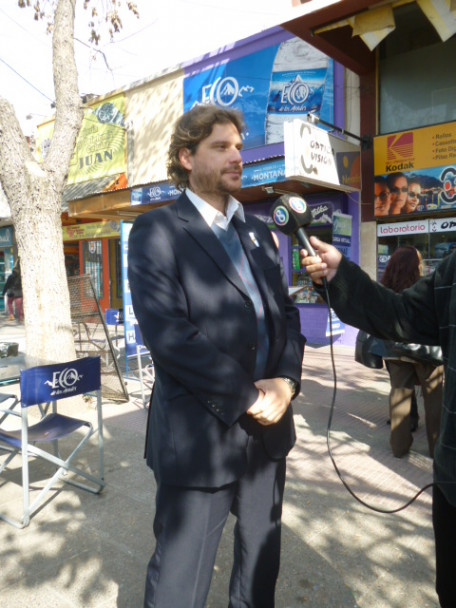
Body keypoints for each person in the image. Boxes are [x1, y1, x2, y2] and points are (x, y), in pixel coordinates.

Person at [128, 104, 305, 608]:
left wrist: (286, 382)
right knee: (180, 584)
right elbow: (170, 337)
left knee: (259, 572)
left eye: (239, 148)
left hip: (268, 435)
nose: (237, 157)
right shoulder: (156, 232)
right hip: (199, 438)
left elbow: (286, 315)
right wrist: (249, 394)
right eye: (221, 147)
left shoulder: (258, 233)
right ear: (187, 156)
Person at [300, 236, 456, 608]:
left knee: (404, 399)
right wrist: (340, 276)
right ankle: (404, 446)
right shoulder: (451, 270)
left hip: (405, 360)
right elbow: (402, 313)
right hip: (453, 484)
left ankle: (399, 445)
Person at [380, 246, 443, 457]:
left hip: (396, 352)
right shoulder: (426, 288)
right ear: (416, 266)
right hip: (428, 353)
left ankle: (399, 448)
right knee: (434, 400)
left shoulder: (385, 289)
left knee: (399, 396)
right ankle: (437, 449)